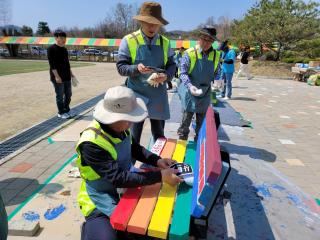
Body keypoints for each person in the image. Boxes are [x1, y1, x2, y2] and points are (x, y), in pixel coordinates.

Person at [77, 86, 182, 240]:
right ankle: (89, 229)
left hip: (125, 187)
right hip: (99, 196)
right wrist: (160, 176)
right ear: (112, 118)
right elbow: (119, 177)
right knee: (110, 236)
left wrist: (157, 160)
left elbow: (134, 148)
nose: (131, 123)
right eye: (129, 119)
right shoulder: (91, 143)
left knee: (143, 227)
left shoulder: (120, 127)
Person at [116, 1, 176, 144]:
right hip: (136, 95)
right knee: (133, 138)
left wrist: (166, 76)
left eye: (155, 23)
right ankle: (130, 165)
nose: (152, 27)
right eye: (148, 22)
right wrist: (136, 68)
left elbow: (172, 65)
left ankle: (158, 164)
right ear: (141, 21)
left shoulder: (165, 42)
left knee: (159, 136)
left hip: (158, 95)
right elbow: (121, 67)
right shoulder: (129, 40)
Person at [177, 26, 221, 142]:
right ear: (199, 38)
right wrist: (190, 86)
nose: (206, 43)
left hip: (205, 92)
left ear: (213, 42)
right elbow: (182, 72)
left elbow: (217, 72)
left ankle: (199, 144)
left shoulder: (216, 55)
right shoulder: (189, 53)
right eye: (204, 39)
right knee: (186, 120)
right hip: (190, 90)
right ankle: (182, 141)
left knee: (202, 122)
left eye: (210, 40)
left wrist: (218, 82)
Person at [47, 30, 76, 119]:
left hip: (67, 76)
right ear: (56, 38)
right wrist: (57, 76)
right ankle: (61, 112)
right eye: (61, 38)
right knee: (60, 95)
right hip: (57, 77)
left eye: (64, 38)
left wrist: (72, 75)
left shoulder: (64, 49)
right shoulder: (51, 49)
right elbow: (52, 64)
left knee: (68, 94)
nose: (64, 40)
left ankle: (67, 109)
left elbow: (67, 63)